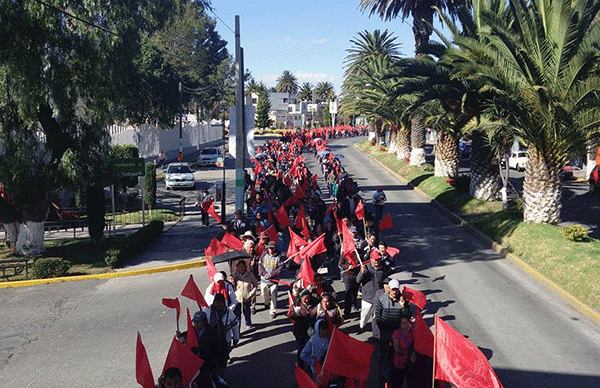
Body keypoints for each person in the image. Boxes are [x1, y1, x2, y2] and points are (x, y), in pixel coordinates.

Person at [374, 279, 414, 387]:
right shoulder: (382, 299)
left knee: (395, 355)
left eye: (396, 290)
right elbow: (377, 315)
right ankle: (382, 379)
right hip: (386, 332)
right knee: (384, 355)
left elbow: (406, 316)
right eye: (393, 290)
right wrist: (382, 328)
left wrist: (403, 306)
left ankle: (394, 378)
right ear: (389, 290)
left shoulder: (403, 300)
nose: (395, 292)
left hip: (398, 334)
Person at [205, 293, 240, 375]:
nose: (219, 305)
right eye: (217, 302)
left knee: (222, 362)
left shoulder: (229, 313)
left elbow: (235, 326)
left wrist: (236, 338)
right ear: (214, 302)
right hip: (212, 343)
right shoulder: (207, 312)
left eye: (221, 303)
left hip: (225, 342)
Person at [356, 250, 389, 334]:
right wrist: (362, 273)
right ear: (371, 259)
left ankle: (376, 334)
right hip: (367, 297)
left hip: (378, 297)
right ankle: (361, 326)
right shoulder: (365, 268)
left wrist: (386, 285)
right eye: (375, 259)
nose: (377, 261)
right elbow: (358, 280)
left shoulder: (383, 268)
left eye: (378, 259)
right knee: (365, 315)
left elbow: (386, 279)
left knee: (376, 317)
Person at [289, 288, 316, 367]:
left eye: (308, 298)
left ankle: (308, 365)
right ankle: (300, 365)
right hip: (299, 330)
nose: (307, 300)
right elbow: (291, 316)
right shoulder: (296, 305)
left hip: (310, 330)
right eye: (305, 299)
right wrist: (295, 313)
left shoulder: (314, 303)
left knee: (309, 349)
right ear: (301, 298)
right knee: (301, 348)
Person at [259, 241, 283, 317]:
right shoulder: (264, 255)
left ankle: (273, 310)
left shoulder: (279, 257)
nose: (271, 250)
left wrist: (271, 274)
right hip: (264, 279)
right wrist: (263, 273)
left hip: (274, 280)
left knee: (273, 294)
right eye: (270, 248)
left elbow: (280, 268)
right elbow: (260, 265)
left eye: (272, 248)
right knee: (263, 292)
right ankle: (266, 303)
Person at [390, 316, 416, 388]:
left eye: (407, 322)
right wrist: (409, 353)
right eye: (403, 323)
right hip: (399, 364)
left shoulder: (414, 332)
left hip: (411, 364)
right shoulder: (397, 333)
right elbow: (397, 349)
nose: (406, 325)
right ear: (400, 325)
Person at [232, 259, 258, 328]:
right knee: (237, 314)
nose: (241, 268)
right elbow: (232, 286)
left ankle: (248, 323)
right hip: (237, 298)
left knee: (247, 311)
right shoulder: (235, 276)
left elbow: (255, 285)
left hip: (247, 297)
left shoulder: (250, 275)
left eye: (243, 266)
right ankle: (237, 327)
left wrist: (251, 293)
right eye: (240, 267)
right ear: (237, 267)